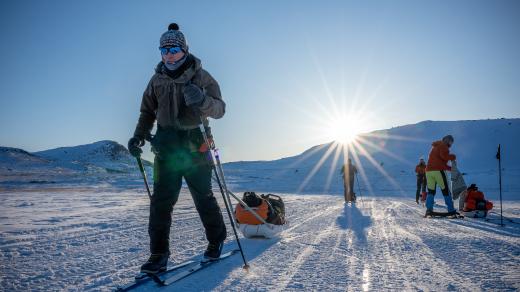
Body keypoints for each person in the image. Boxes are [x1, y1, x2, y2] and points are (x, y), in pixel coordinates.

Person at [128, 23, 227, 274]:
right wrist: (139, 136)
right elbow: (147, 112)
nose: (169, 54)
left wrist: (203, 101)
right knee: (160, 202)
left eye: (174, 49)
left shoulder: (201, 76)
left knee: (203, 198)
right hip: (166, 148)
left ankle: (216, 241)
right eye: (164, 49)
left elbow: (220, 109)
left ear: (184, 50)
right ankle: (158, 255)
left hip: (196, 147)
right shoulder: (156, 81)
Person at [425, 135, 457, 216]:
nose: (451, 144)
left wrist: (451, 169)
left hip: (429, 172)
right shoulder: (443, 146)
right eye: (451, 142)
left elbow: (440, 161)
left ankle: (429, 209)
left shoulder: (435, 146)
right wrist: (452, 157)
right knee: (446, 190)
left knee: (431, 191)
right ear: (448, 141)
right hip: (438, 171)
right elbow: (444, 157)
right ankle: (451, 210)